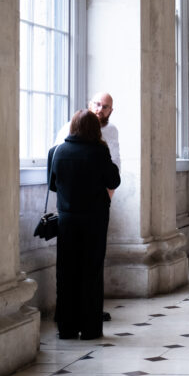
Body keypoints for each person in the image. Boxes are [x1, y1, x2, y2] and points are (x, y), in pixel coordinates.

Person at [48, 110, 121, 340]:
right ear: (95, 129)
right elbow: (114, 180)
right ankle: (90, 328)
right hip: (94, 220)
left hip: (67, 220)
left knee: (66, 272)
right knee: (91, 272)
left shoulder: (57, 151)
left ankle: (67, 327)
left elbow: (52, 185)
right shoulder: (99, 151)